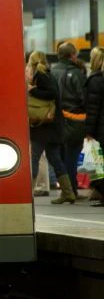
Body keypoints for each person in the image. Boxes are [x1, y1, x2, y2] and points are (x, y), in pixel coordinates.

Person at [28, 51, 74, 203]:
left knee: (34, 157)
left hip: (44, 126)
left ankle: (28, 193)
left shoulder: (41, 75)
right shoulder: (48, 73)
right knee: (54, 158)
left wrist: (32, 90)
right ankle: (68, 192)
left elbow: (52, 93)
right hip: (52, 126)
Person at [52, 42, 88, 199]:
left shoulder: (52, 71)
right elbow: (83, 97)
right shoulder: (76, 73)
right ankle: (72, 189)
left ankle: (66, 189)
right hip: (75, 119)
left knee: (60, 154)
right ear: (73, 55)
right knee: (72, 155)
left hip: (57, 119)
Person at [84, 47, 104, 207]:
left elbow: (92, 109)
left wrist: (89, 132)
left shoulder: (95, 80)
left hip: (99, 130)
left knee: (97, 164)